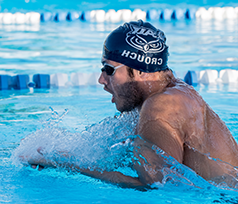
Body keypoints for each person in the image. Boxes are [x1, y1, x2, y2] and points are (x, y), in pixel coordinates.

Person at [21, 20, 238, 189]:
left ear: (141, 71)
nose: (101, 80)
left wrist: (69, 166)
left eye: (109, 70)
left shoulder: (160, 108)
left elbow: (160, 187)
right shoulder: (171, 90)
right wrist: (56, 153)